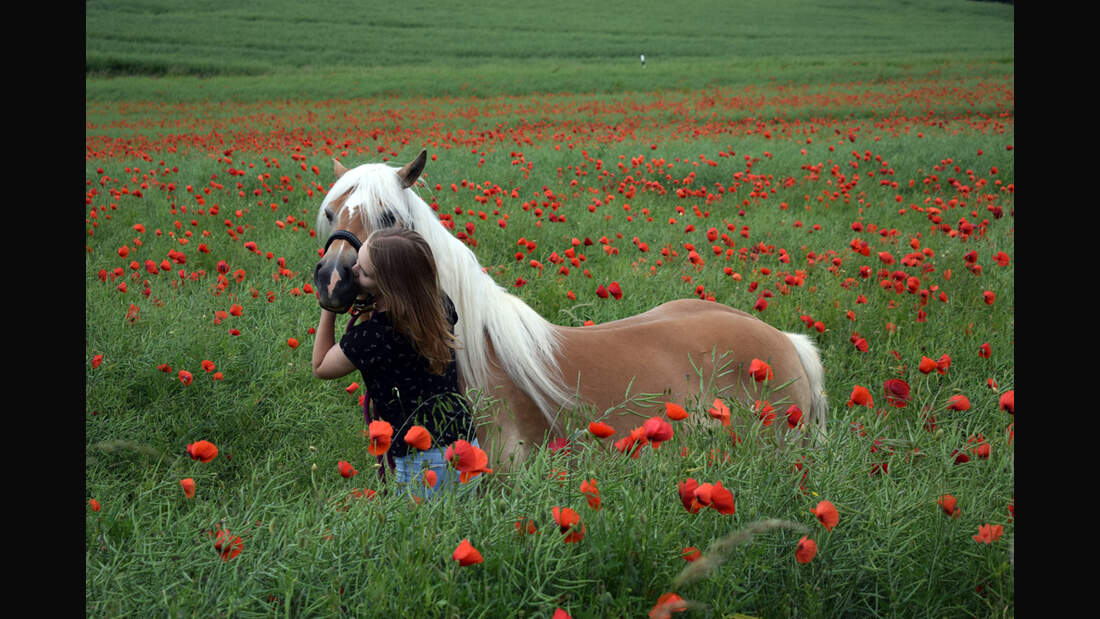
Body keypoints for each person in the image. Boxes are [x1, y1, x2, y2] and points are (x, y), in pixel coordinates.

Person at [312, 227, 478, 499]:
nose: (353, 271)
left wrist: (328, 307)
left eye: (363, 272)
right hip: (466, 446)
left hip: (421, 462)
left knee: (420, 536)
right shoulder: (440, 305)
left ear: (388, 286)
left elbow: (321, 366)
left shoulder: (372, 338)